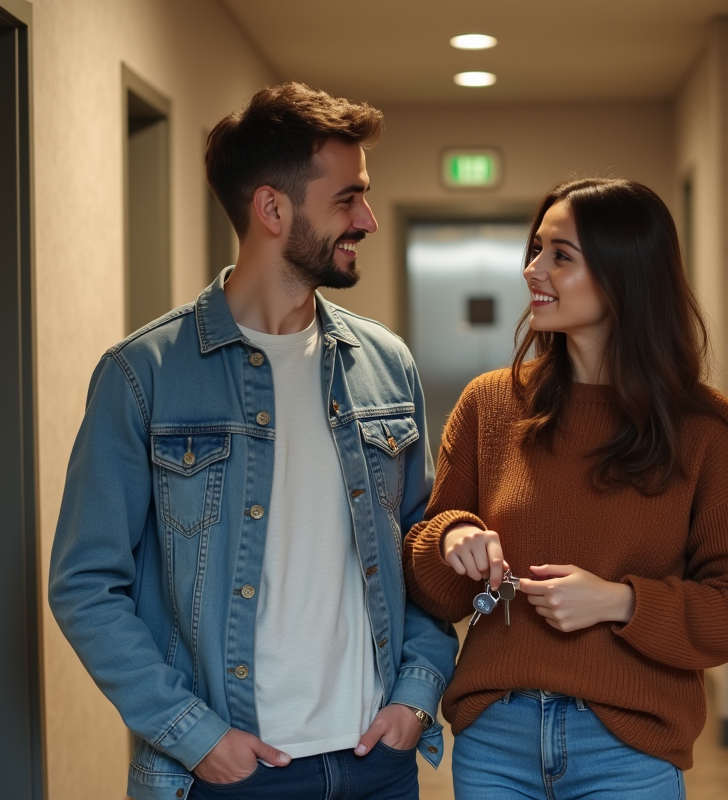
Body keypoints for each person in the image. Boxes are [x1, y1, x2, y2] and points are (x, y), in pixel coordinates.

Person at [49, 82, 456, 800]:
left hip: (378, 763)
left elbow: (421, 547)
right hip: (233, 777)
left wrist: (416, 693)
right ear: (272, 208)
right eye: (346, 199)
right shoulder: (142, 376)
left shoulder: (386, 365)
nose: (368, 218)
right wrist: (192, 735)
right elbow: (86, 583)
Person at [402, 178, 728, 800]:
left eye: (560, 255)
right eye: (536, 249)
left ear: (624, 275)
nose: (532, 270)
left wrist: (619, 602)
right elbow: (431, 588)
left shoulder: (705, 429)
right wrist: (452, 539)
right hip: (497, 739)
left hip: (628, 752)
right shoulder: (490, 404)